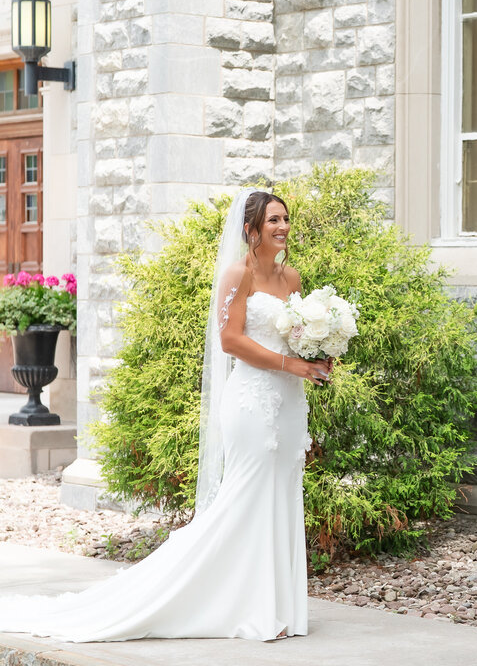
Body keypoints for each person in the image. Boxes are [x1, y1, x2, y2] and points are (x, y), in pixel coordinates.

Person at [0, 189, 332, 642]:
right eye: (273, 220)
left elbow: (292, 335)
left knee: (282, 492)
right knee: (246, 495)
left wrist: (315, 356)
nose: (282, 227)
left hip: (290, 401)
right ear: (251, 230)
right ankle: (224, 601)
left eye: (286, 219)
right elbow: (230, 341)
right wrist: (290, 364)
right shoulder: (240, 273)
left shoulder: (291, 278)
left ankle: (277, 605)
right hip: (253, 401)